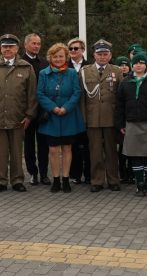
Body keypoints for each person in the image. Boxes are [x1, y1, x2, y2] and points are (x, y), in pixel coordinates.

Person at [0, 34, 39, 192]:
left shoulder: (26, 67)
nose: (8, 49)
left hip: (18, 117)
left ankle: (17, 180)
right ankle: (0, 181)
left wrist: (29, 115)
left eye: (11, 46)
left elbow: (32, 95)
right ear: (0, 48)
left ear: (17, 49)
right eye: (5, 46)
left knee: (17, 152)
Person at [37, 43, 86, 193]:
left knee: (67, 148)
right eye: (55, 56)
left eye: (61, 56)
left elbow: (77, 93)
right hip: (52, 116)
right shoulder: (43, 74)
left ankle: (66, 179)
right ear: (50, 58)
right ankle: (56, 180)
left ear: (65, 57)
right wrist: (53, 108)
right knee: (52, 149)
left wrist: (66, 108)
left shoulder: (71, 73)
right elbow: (40, 93)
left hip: (68, 115)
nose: (58, 59)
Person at [115, 51, 147, 197]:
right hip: (131, 124)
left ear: (146, 65)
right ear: (132, 65)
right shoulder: (125, 82)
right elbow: (119, 105)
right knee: (135, 156)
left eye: (141, 63)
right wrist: (120, 124)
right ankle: (139, 185)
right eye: (135, 63)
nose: (138, 65)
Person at [79, 40, 124, 192]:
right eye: (100, 54)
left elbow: (121, 97)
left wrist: (120, 120)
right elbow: (82, 98)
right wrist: (84, 119)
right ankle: (97, 181)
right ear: (94, 55)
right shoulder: (85, 71)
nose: (102, 57)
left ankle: (113, 180)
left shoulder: (117, 71)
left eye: (105, 54)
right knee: (95, 152)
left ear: (110, 55)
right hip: (92, 118)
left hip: (111, 117)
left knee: (111, 151)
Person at [20, 33, 50, 186]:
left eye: (38, 43)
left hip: (43, 111)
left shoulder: (45, 63)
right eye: (33, 43)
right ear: (25, 45)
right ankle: (33, 173)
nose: (37, 46)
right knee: (29, 144)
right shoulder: (19, 63)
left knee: (43, 144)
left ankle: (44, 173)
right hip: (26, 112)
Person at [67, 37, 92, 185]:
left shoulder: (90, 66)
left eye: (76, 48)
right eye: (70, 49)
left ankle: (88, 174)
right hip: (70, 111)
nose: (73, 51)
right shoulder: (64, 66)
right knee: (73, 144)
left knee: (87, 145)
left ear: (82, 50)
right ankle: (75, 174)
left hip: (86, 111)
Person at [115, 56, 133, 184]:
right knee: (122, 148)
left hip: (131, 118)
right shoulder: (116, 79)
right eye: (121, 65)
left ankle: (131, 172)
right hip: (121, 117)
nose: (124, 67)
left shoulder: (133, 80)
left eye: (126, 65)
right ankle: (122, 173)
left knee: (131, 148)